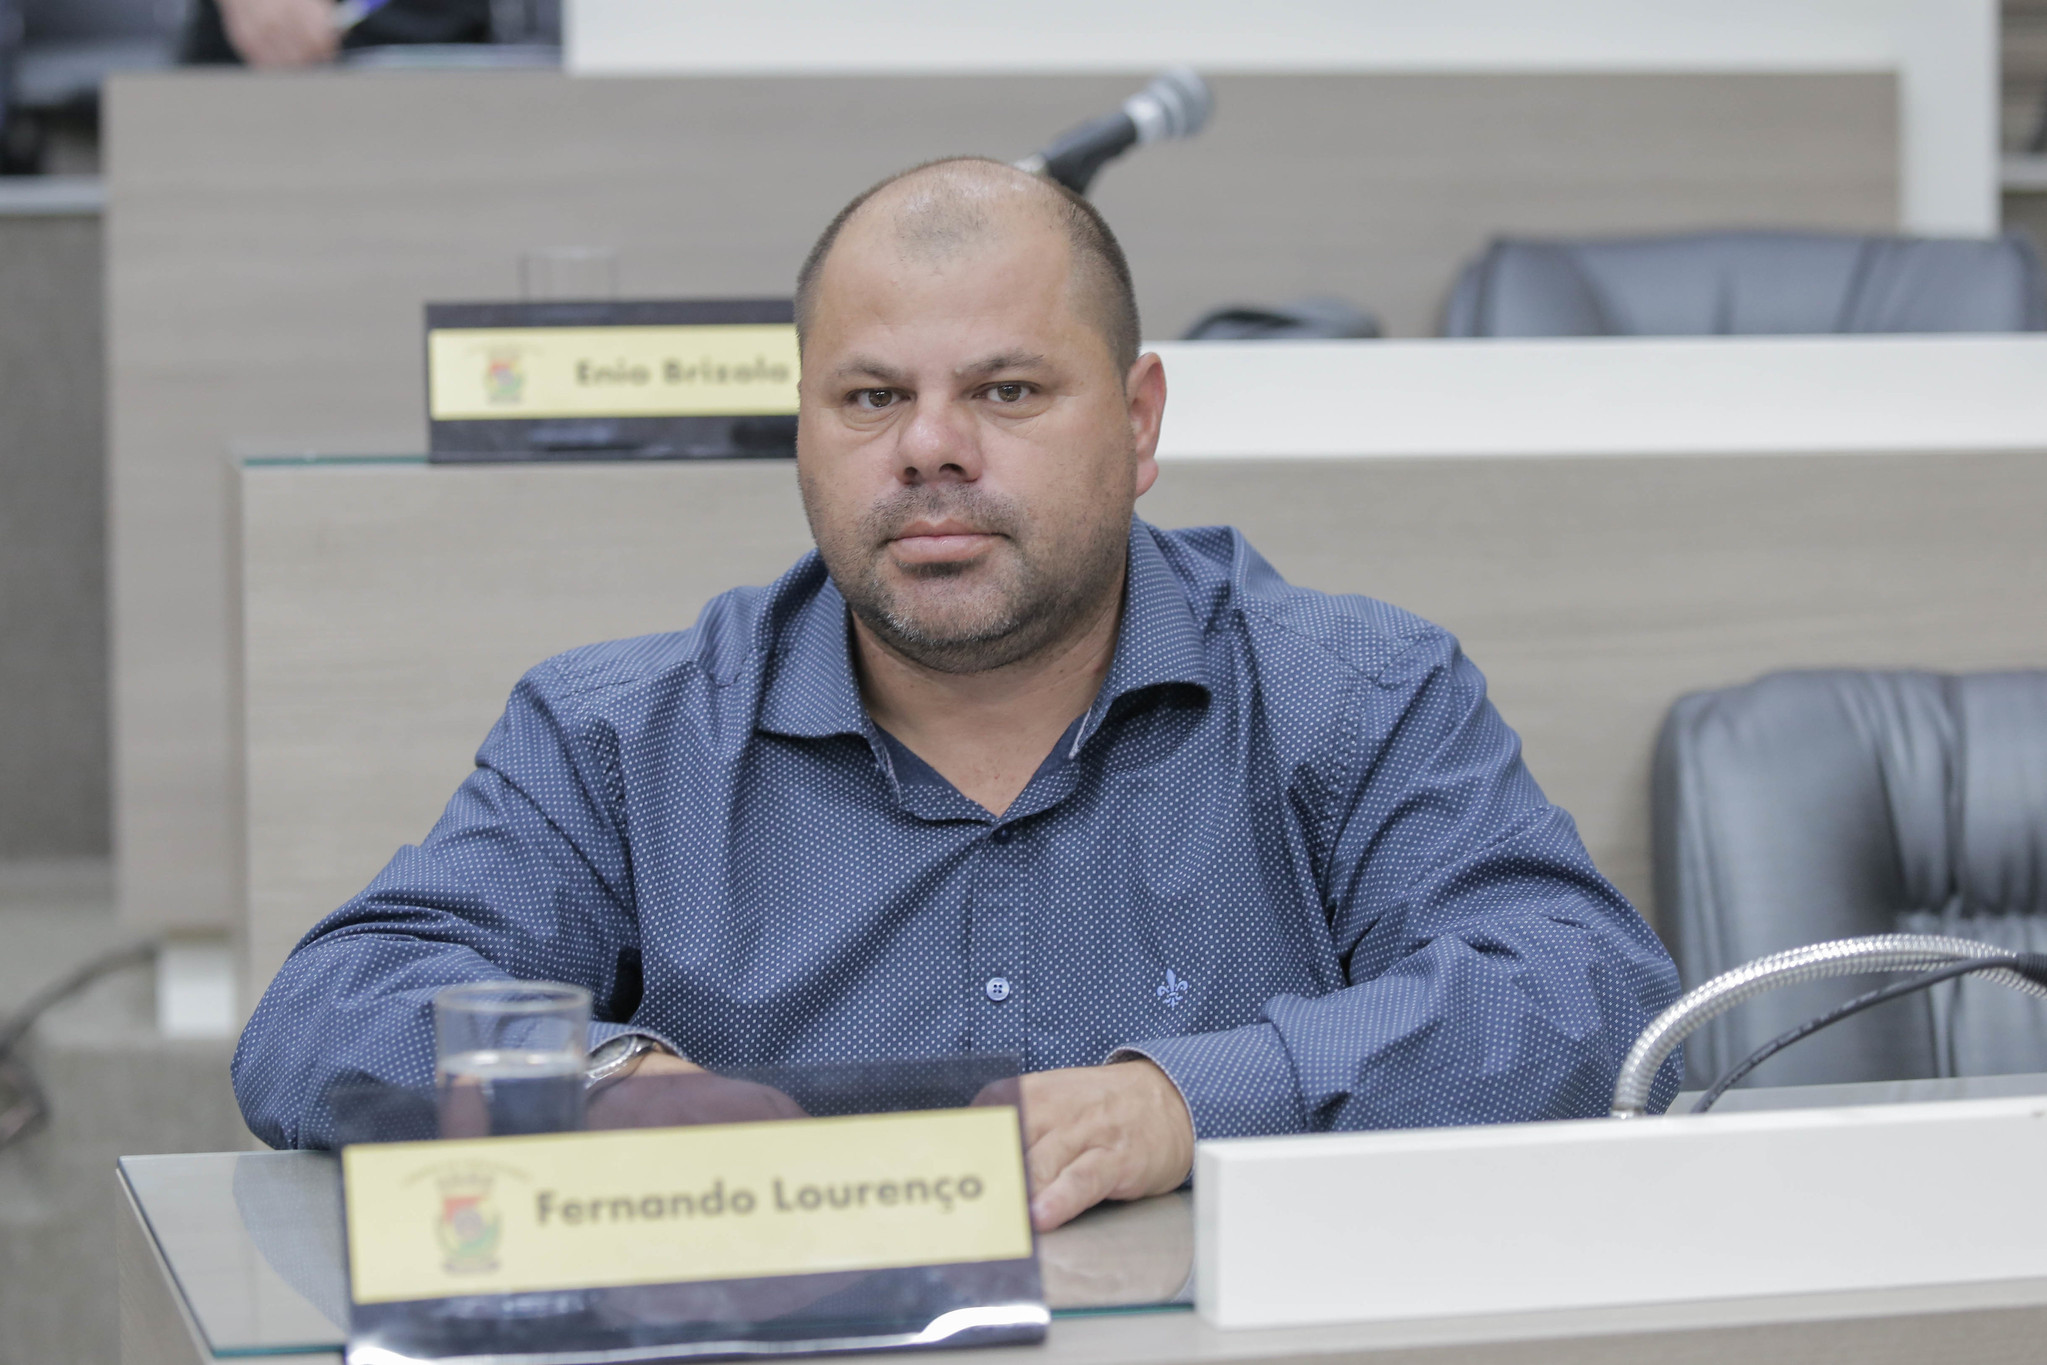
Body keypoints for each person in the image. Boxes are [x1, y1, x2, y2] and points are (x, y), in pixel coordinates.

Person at [233, 157, 1683, 1230]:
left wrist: (1186, 1104)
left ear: (1137, 421)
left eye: (1005, 392)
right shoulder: (619, 735)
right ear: (801, 429)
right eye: (870, 399)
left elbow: (1582, 991)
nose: (930, 450)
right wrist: (603, 1085)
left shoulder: (1355, 695)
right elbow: (328, 1009)